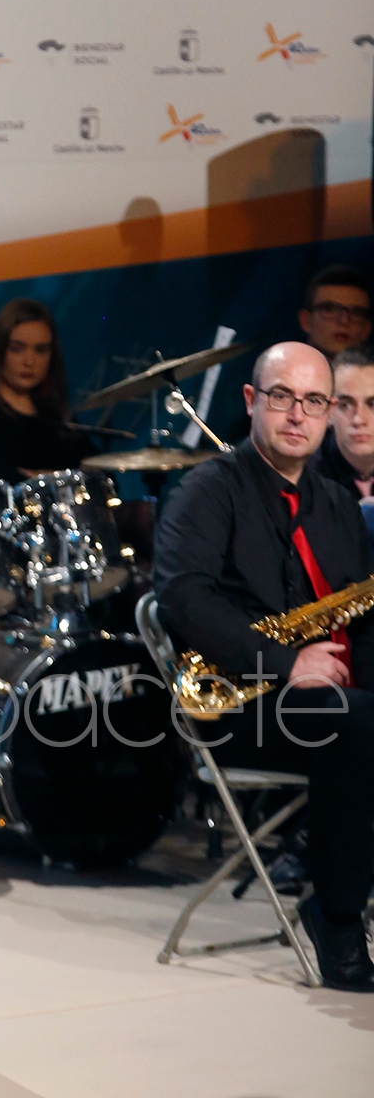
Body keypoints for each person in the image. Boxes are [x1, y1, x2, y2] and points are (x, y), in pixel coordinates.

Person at [154, 342, 374, 991]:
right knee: (354, 724)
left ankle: (330, 871)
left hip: (322, 700)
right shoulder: (206, 489)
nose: (298, 414)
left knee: (358, 716)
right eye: (283, 397)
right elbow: (183, 599)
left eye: (314, 401)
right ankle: (337, 917)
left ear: (328, 412)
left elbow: (359, 617)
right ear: (252, 401)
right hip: (235, 705)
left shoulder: (337, 504)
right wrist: (285, 661)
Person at [0, 298, 93, 482]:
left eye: (40, 350)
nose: (29, 361)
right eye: (17, 349)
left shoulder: (58, 418)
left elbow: (100, 475)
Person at [314, 345, 374, 542]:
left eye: (372, 404)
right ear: (328, 412)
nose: (358, 419)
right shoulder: (304, 478)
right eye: (345, 404)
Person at [299, 262, 372, 358]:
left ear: (367, 328)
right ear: (305, 320)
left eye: (355, 312)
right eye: (329, 309)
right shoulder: (282, 365)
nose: (344, 320)